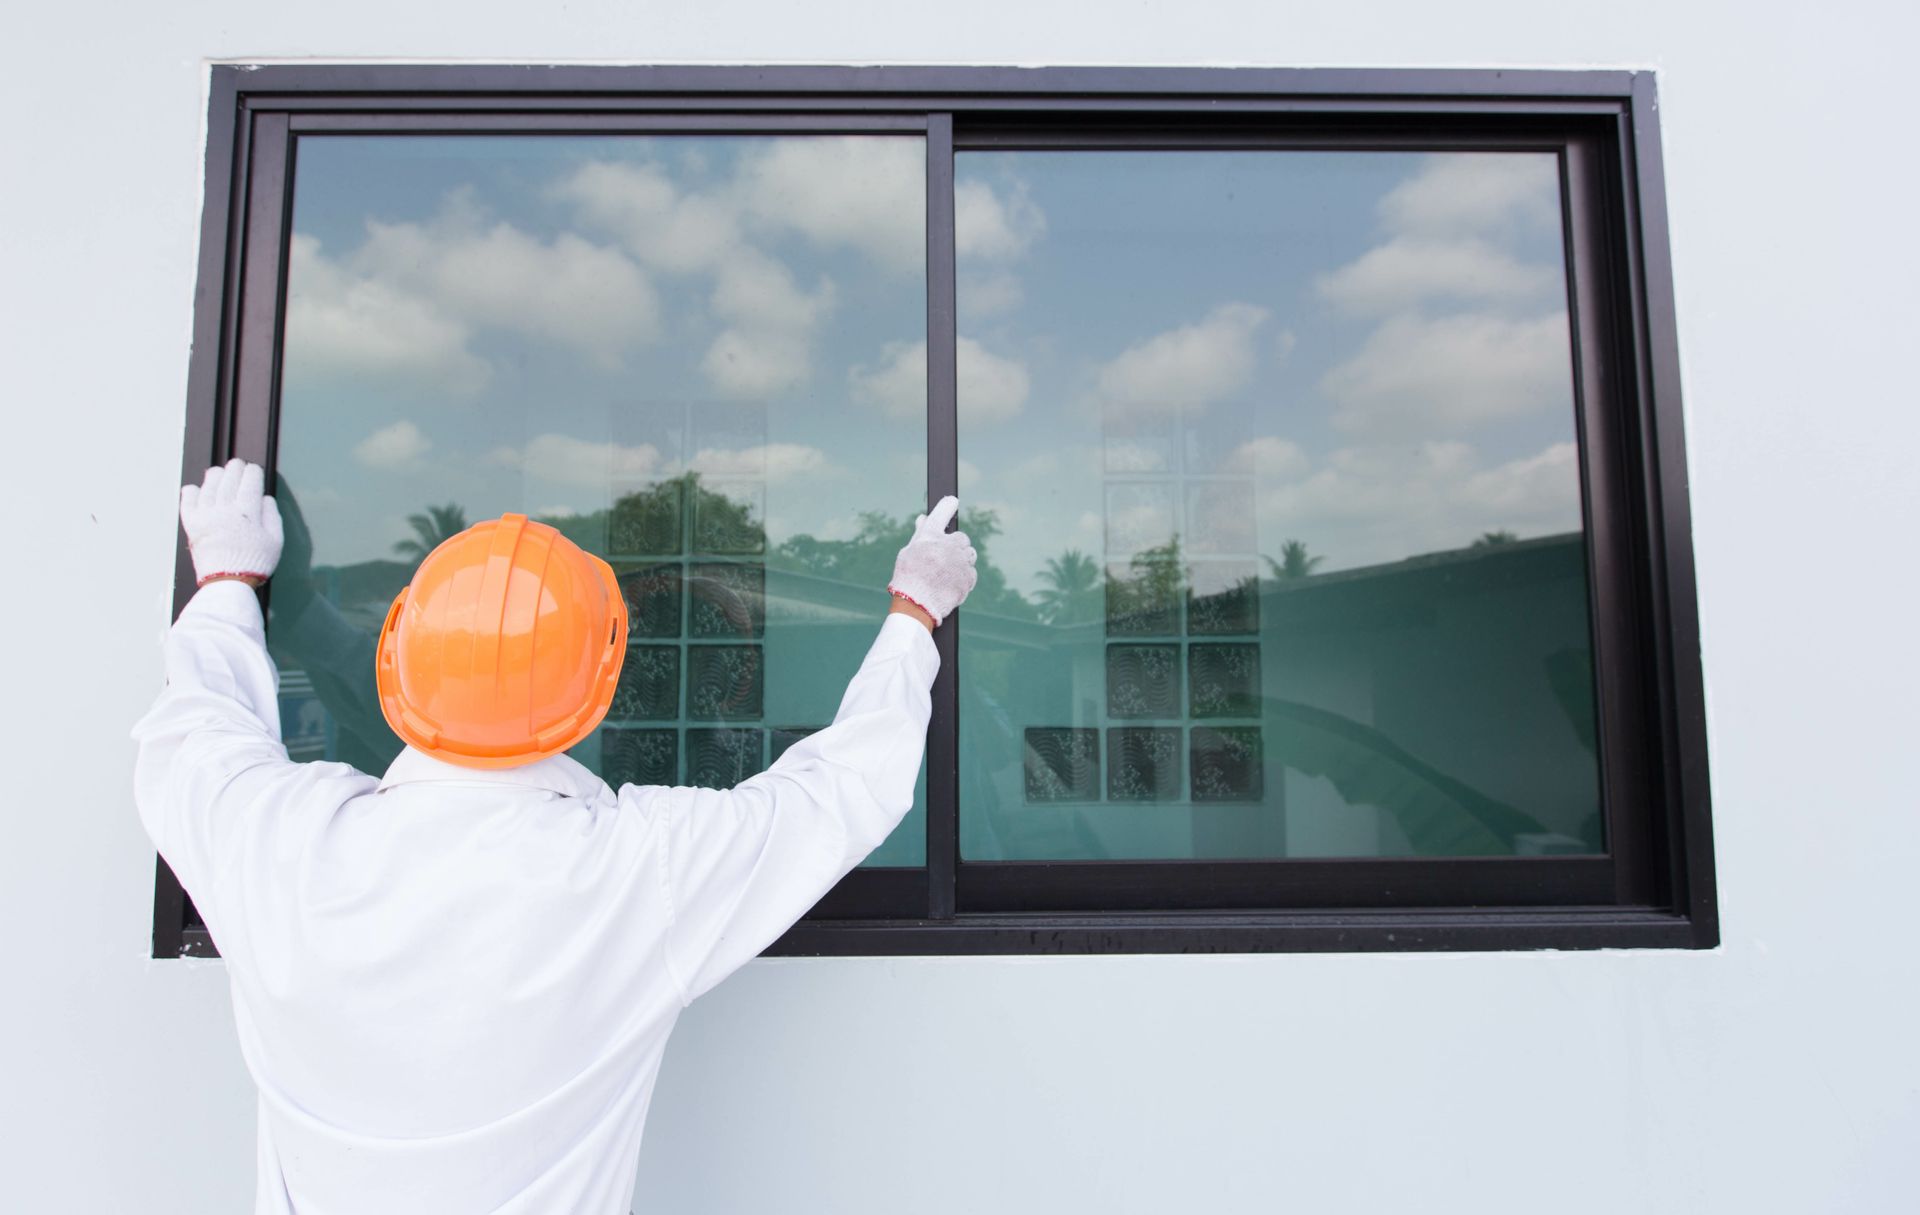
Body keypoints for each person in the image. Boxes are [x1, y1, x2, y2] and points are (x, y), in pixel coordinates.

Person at [132, 458, 978, 1215]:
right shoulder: (634, 868)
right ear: (601, 688)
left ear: (397, 662)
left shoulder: (276, 842)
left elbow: (194, 731)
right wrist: (914, 613)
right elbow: (840, 789)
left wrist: (229, 576)